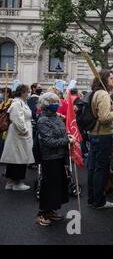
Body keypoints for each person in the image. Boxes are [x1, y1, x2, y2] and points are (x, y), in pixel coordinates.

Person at [35, 92, 74, 226]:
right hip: (49, 157)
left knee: (57, 185)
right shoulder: (43, 120)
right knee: (48, 186)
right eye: (53, 102)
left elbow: (62, 132)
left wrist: (67, 135)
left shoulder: (56, 117)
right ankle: (42, 213)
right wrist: (67, 140)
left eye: (57, 102)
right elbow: (49, 141)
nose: (57, 104)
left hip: (60, 156)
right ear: (46, 104)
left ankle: (51, 210)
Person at [88, 70, 113, 210]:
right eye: (111, 78)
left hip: (94, 134)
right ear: (105, 80)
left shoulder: (94, 93)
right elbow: (104, 118)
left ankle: (92, 198)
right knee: (101, 169)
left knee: (93, 168)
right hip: (103, 135)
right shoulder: (103, 94)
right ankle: (99, 201)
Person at [1, 84, 34, 191]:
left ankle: (11, 182)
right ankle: (17, 183)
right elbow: (18, 119)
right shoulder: (17, 103)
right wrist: (25, 131)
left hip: (18, 135)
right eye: (27, 92)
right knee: (19, 159)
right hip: (19, 135)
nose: (28, 94)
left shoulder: (20, 102)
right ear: (23, 92)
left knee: (15, 159)